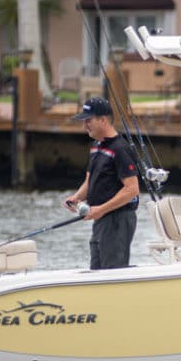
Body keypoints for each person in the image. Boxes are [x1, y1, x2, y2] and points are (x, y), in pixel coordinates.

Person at [64, 97, 140, 269]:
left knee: (111, 273)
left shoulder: (120, 149)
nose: (85, 126)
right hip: (100, 219)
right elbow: (90, 181)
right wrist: (76, 198)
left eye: (88, 120)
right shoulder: (96, 146)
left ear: (103, 120)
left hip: (117, 220)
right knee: (96, 271)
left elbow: (132, 189)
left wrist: (101, 209)